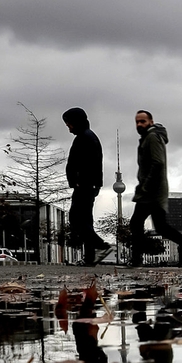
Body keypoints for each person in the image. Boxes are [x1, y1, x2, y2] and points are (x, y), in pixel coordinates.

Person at [129, 110, 182, 269]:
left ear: (151, 122)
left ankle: (136, 260)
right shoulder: (148, 138)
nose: (139, 124)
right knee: (161, 227)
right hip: (153, 189)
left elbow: (158, 163)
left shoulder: (152, 138)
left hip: (152, 190)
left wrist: (146, 185)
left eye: (143, 121)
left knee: (136, 222)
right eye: (137, 122)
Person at [64, 107, 112, 266]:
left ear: (76, 122)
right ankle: (90, 257)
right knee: (85, 220)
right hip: (88, 184)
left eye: (69, 124)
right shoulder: (88, 137)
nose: (68, 128)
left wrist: (79, 181)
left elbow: (87, 164)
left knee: (76, 219)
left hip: (84, 185)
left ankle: (101, 247)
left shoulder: (85, 138)